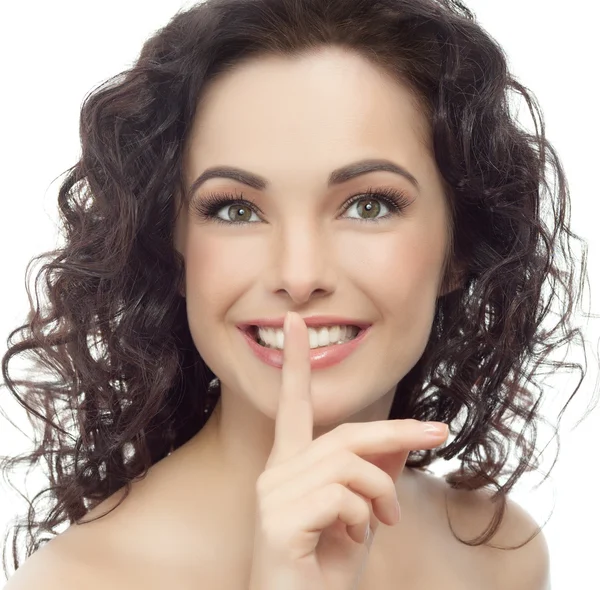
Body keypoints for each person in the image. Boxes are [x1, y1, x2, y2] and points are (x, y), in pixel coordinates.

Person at [0, 0, 589, 588]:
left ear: (461, 245)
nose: (299, 273)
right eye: (235, 209)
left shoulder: (501, 554)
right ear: (172, 249)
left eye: (369, 204)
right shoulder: (74, 581)